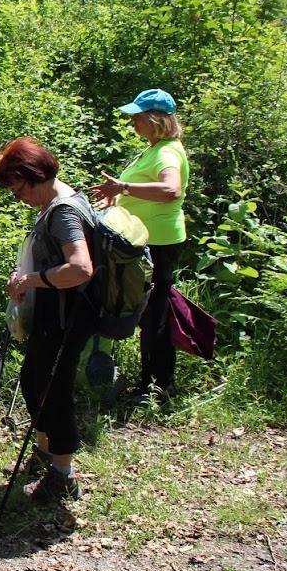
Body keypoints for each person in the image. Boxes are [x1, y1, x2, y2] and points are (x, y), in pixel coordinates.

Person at [0, 137, 97, 503]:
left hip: (67, 316)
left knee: (54, 390)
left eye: (18, 189)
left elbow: (81, 268)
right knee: (34, 382)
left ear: (33, 175)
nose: (18, 197)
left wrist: (32, 280)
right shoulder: (53, 204)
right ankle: (44, 454)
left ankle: (63, 475)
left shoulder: (64, 211)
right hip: (53, 314)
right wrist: (25, 277)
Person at [90, 88, 189, 400]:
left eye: (138, 117)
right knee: (149, 312)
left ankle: (157, 386)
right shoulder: (154, 149)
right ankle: (153, 382)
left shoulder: (167, 153)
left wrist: (124, 187)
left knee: (154, 314)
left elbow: (171, 190)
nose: (133, 122)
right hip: (146, 240)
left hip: (158, 242)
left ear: (156, 119)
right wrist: (116, 198)